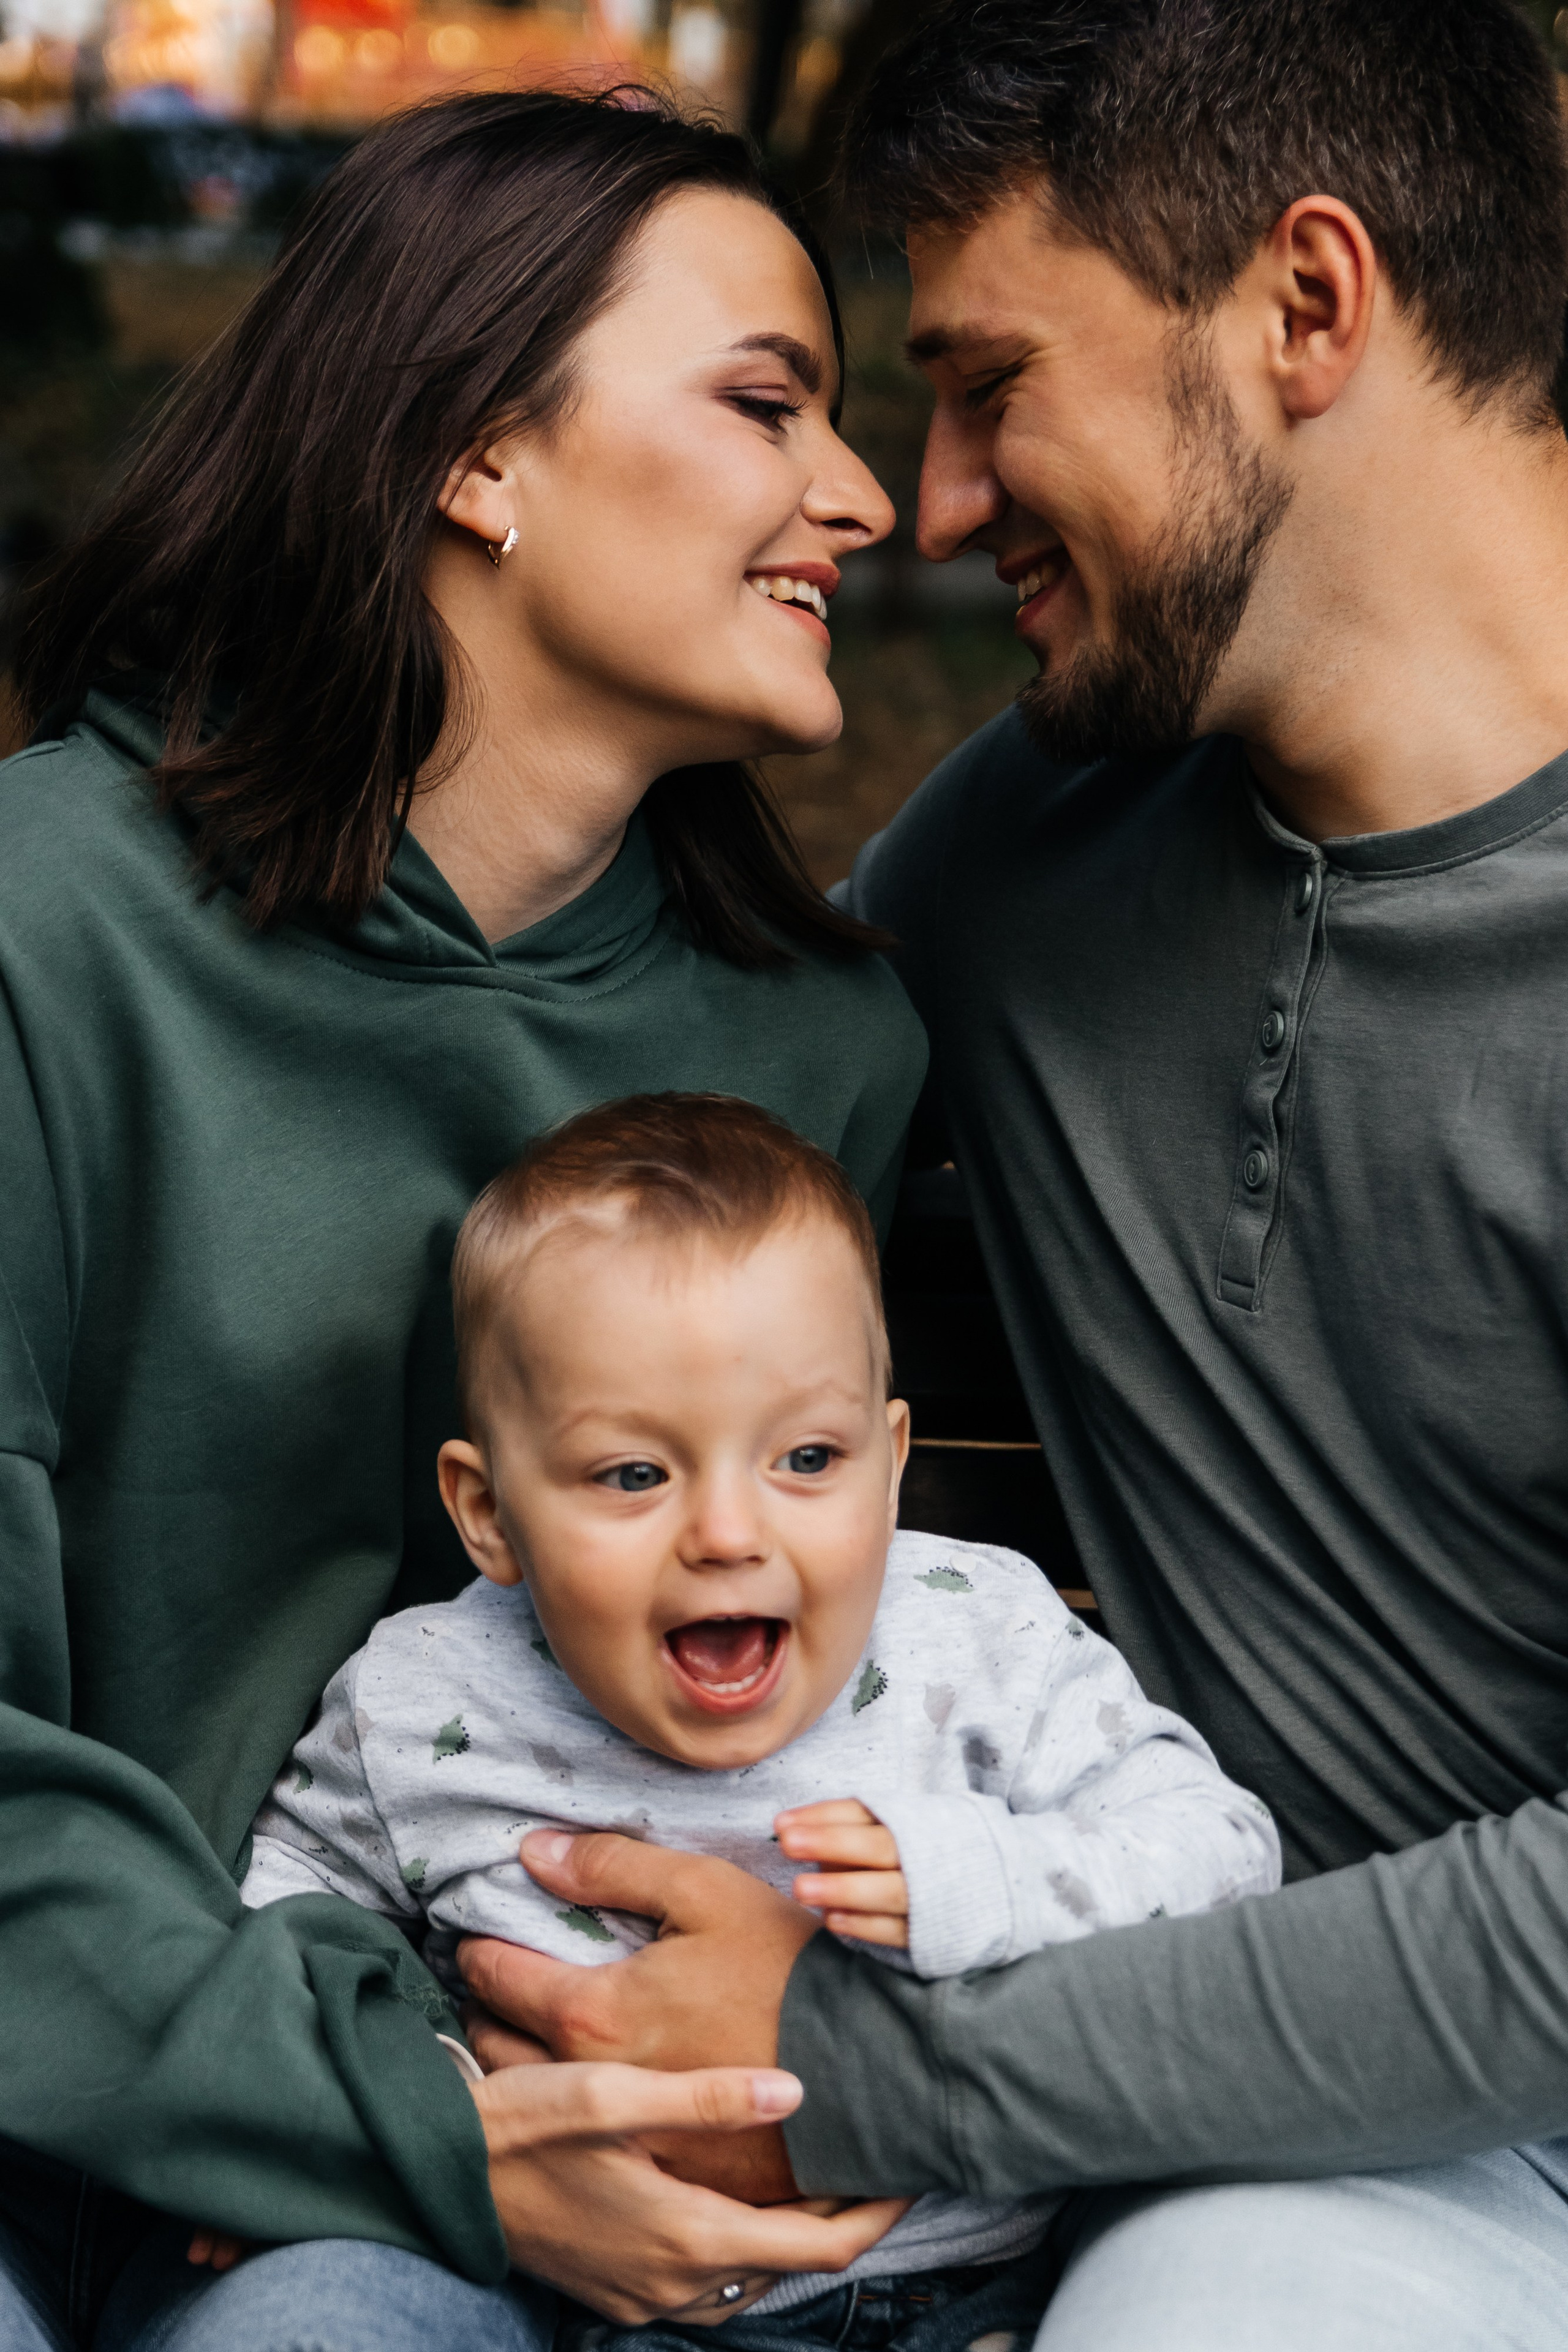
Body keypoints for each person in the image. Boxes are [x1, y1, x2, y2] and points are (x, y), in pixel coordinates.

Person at [444, 3, 1568, 2346]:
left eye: (987, 382)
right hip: (1305, 2159)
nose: (930, 503)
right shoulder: (1028, 863)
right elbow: (596, 1121)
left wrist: (862, 2072)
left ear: (1308, 304)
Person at [0, 88, 930, 2352]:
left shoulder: (816, 1057)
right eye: (764, 402)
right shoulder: (46, 936)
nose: (867, 494)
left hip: (475, 2179)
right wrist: (376, 2112)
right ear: (477, 457)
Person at [214, 1091, 1277, 2342]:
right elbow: (289, 1905)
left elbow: (1225, 1858)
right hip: (592, 2302)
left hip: (970, 2283)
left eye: (807, 1460)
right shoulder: (422, 1698)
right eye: (633, 1474)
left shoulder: (979, 1635)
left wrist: (977, 1880)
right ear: (488, 1512)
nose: (727, 1534)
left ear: (890, 1466)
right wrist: (311, 2122)